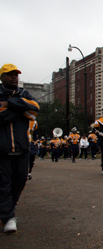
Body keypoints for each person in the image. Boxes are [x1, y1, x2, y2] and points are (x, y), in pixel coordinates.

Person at [0, 63, 40, 233]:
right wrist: (21, 110)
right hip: (2, 149)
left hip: (23, 148)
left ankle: (8, 206)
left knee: (21, 180)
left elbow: (35, 109)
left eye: (16, 74)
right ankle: (8, 217)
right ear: (2, 77)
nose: (14, 77)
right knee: (3, 183)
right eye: (10, 74)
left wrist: (10, 104)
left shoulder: (24, 93)